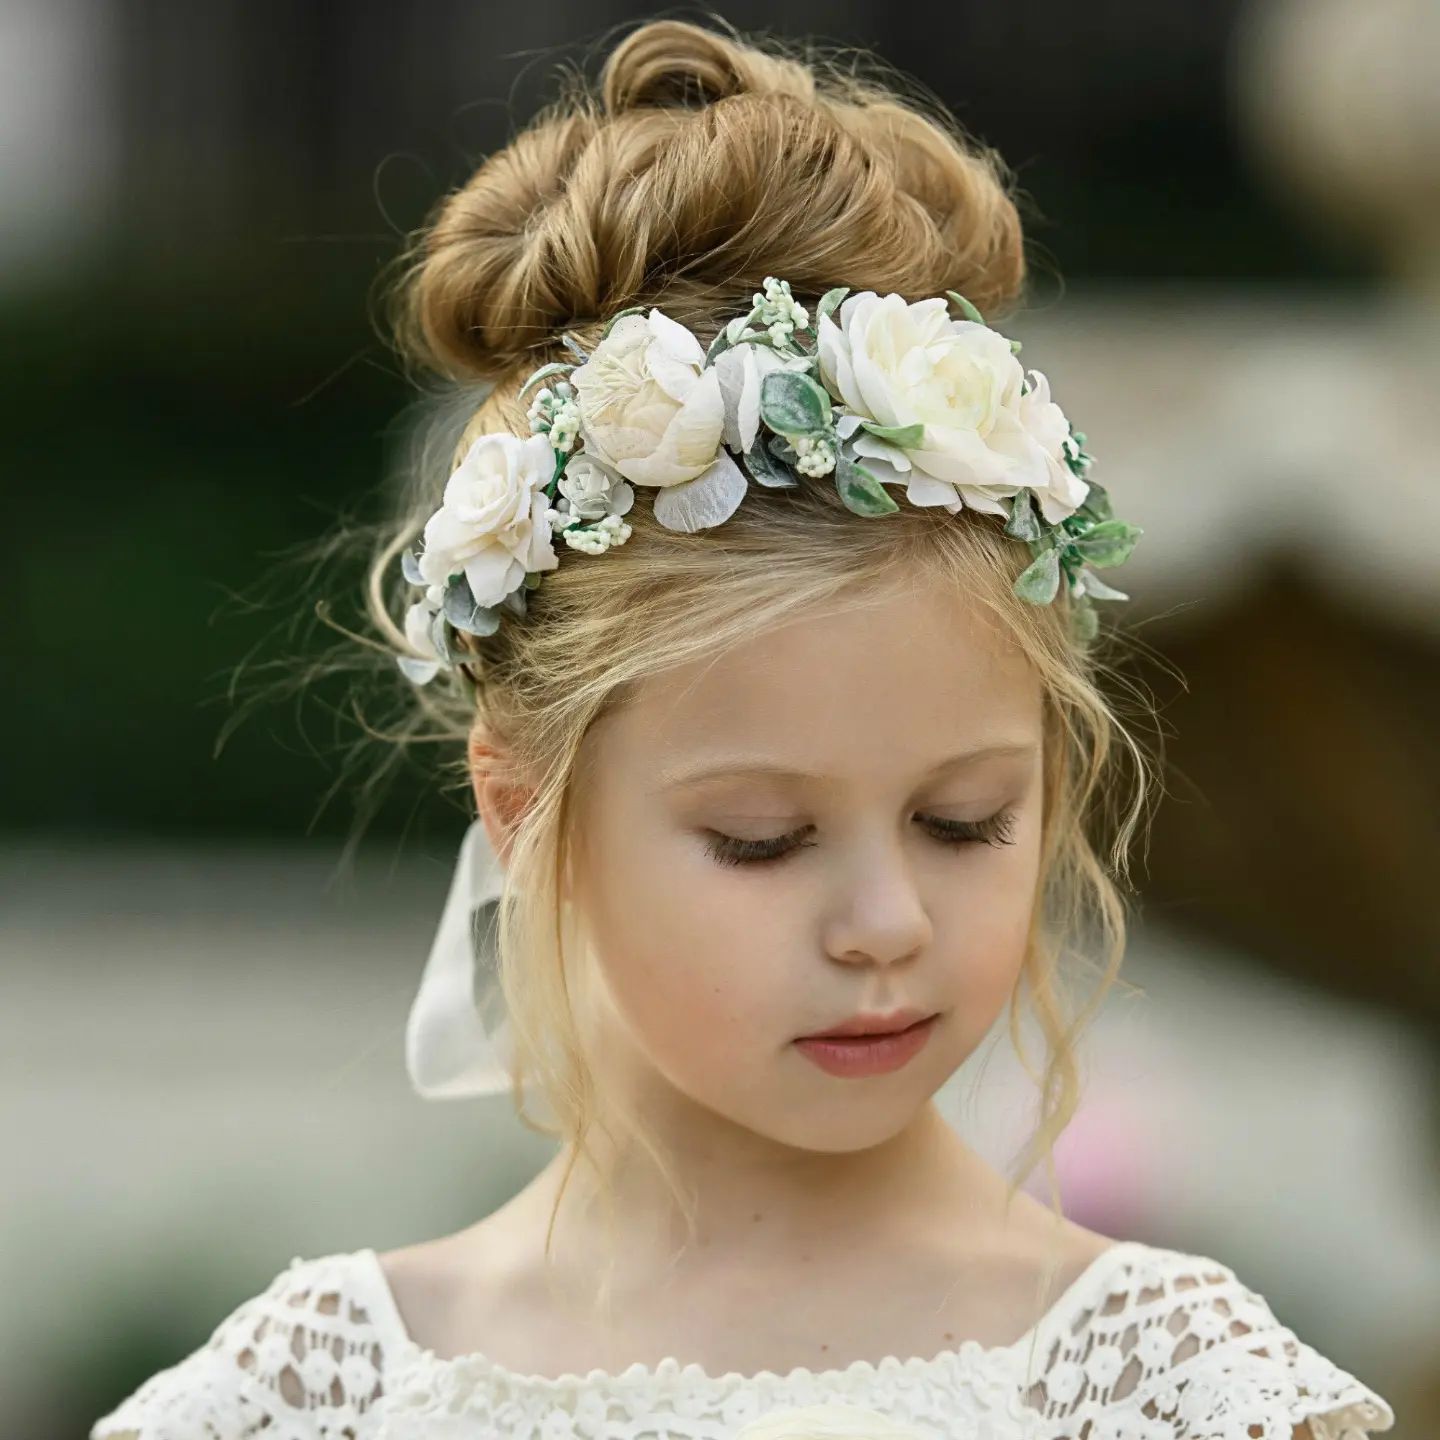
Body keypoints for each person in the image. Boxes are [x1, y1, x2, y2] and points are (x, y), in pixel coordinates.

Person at [89, 17, 1396, 1440]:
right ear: (527, 810)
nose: (886, 921)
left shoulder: (1185, 1397)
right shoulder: (297, 1399)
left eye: (964, 822)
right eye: (763, 841)